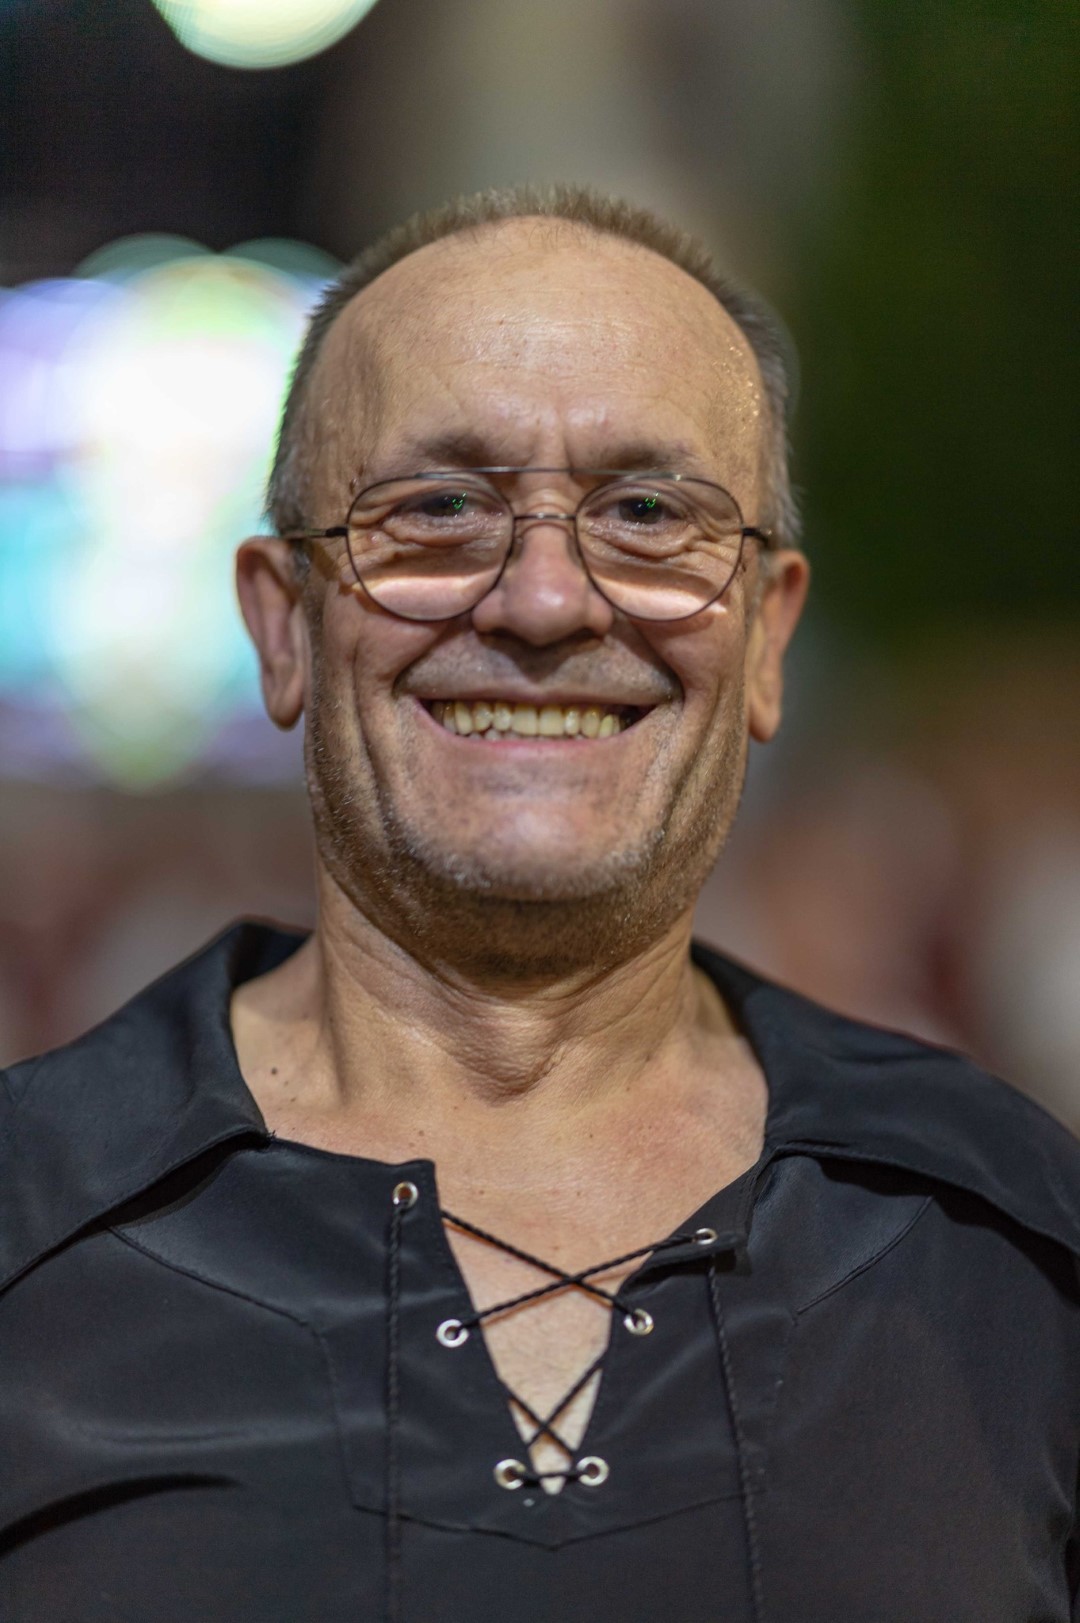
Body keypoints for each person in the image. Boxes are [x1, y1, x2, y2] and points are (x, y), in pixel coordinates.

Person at [2, 185, 1077, 1623]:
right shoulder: (30, 1221)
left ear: (767, 638)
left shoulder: (1012, 1241)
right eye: (437, 510)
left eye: (649, 514)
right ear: (283, 623)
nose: (548, 601)